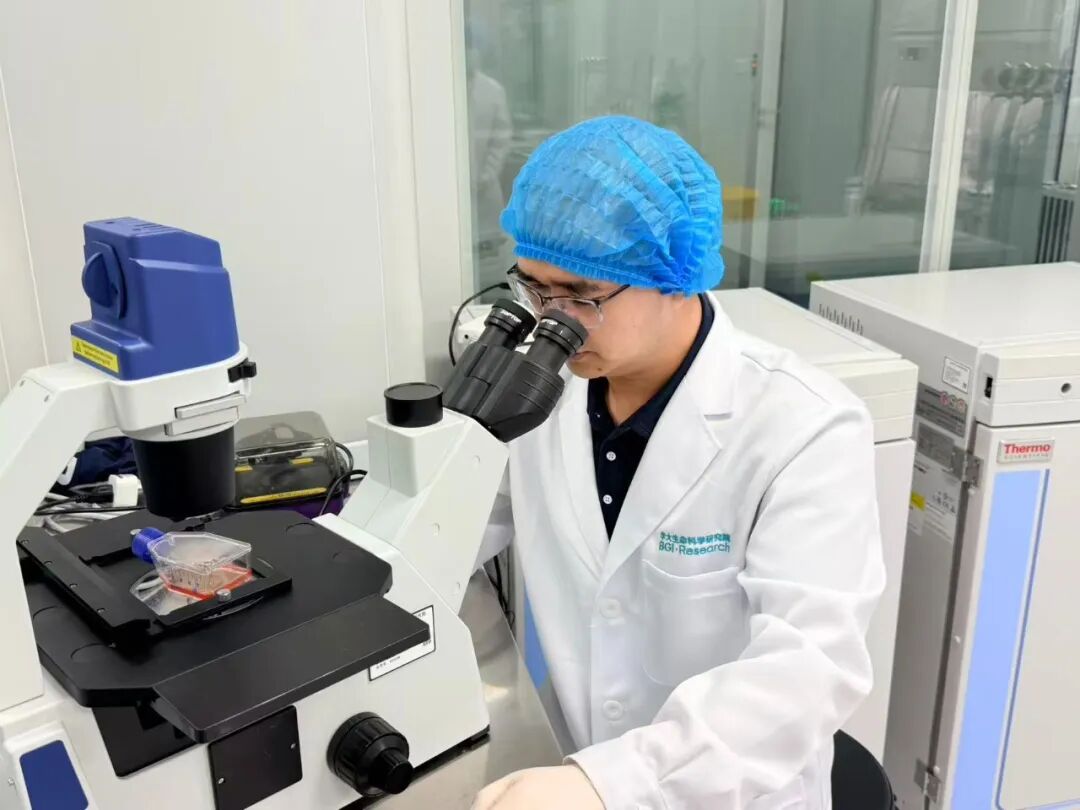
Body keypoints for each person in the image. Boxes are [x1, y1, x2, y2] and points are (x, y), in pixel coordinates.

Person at [471, 116, 884, 810]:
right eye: (534, 288)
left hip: (730, 793)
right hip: (572, 761)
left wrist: (612, 784)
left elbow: (809, 668)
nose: (551, 319)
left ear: (672, 278)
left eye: (580, 296)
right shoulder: (544, 395)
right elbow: (455, 525)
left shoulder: (805, 427)